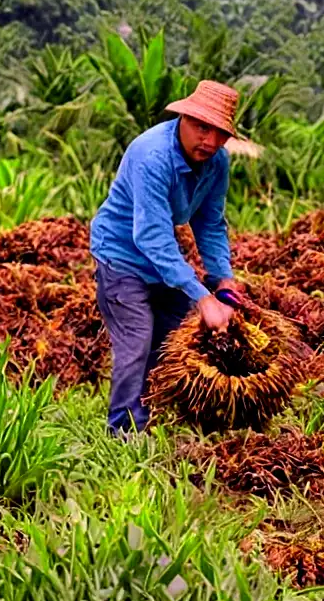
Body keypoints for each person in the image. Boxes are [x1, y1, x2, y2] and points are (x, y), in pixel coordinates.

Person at [90, 80, 241, 436]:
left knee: (169, 341)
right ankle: (123, 436)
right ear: (184, 118)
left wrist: (224, 280)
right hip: (122, 257)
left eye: (219, 132)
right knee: (137, 343)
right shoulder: (152, 156)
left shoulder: (216, 161)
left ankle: (152, 416)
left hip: (163, 264)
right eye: (201, 127)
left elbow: (210, 221)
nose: (209, 140)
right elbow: (151, 236)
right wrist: (202, 297)